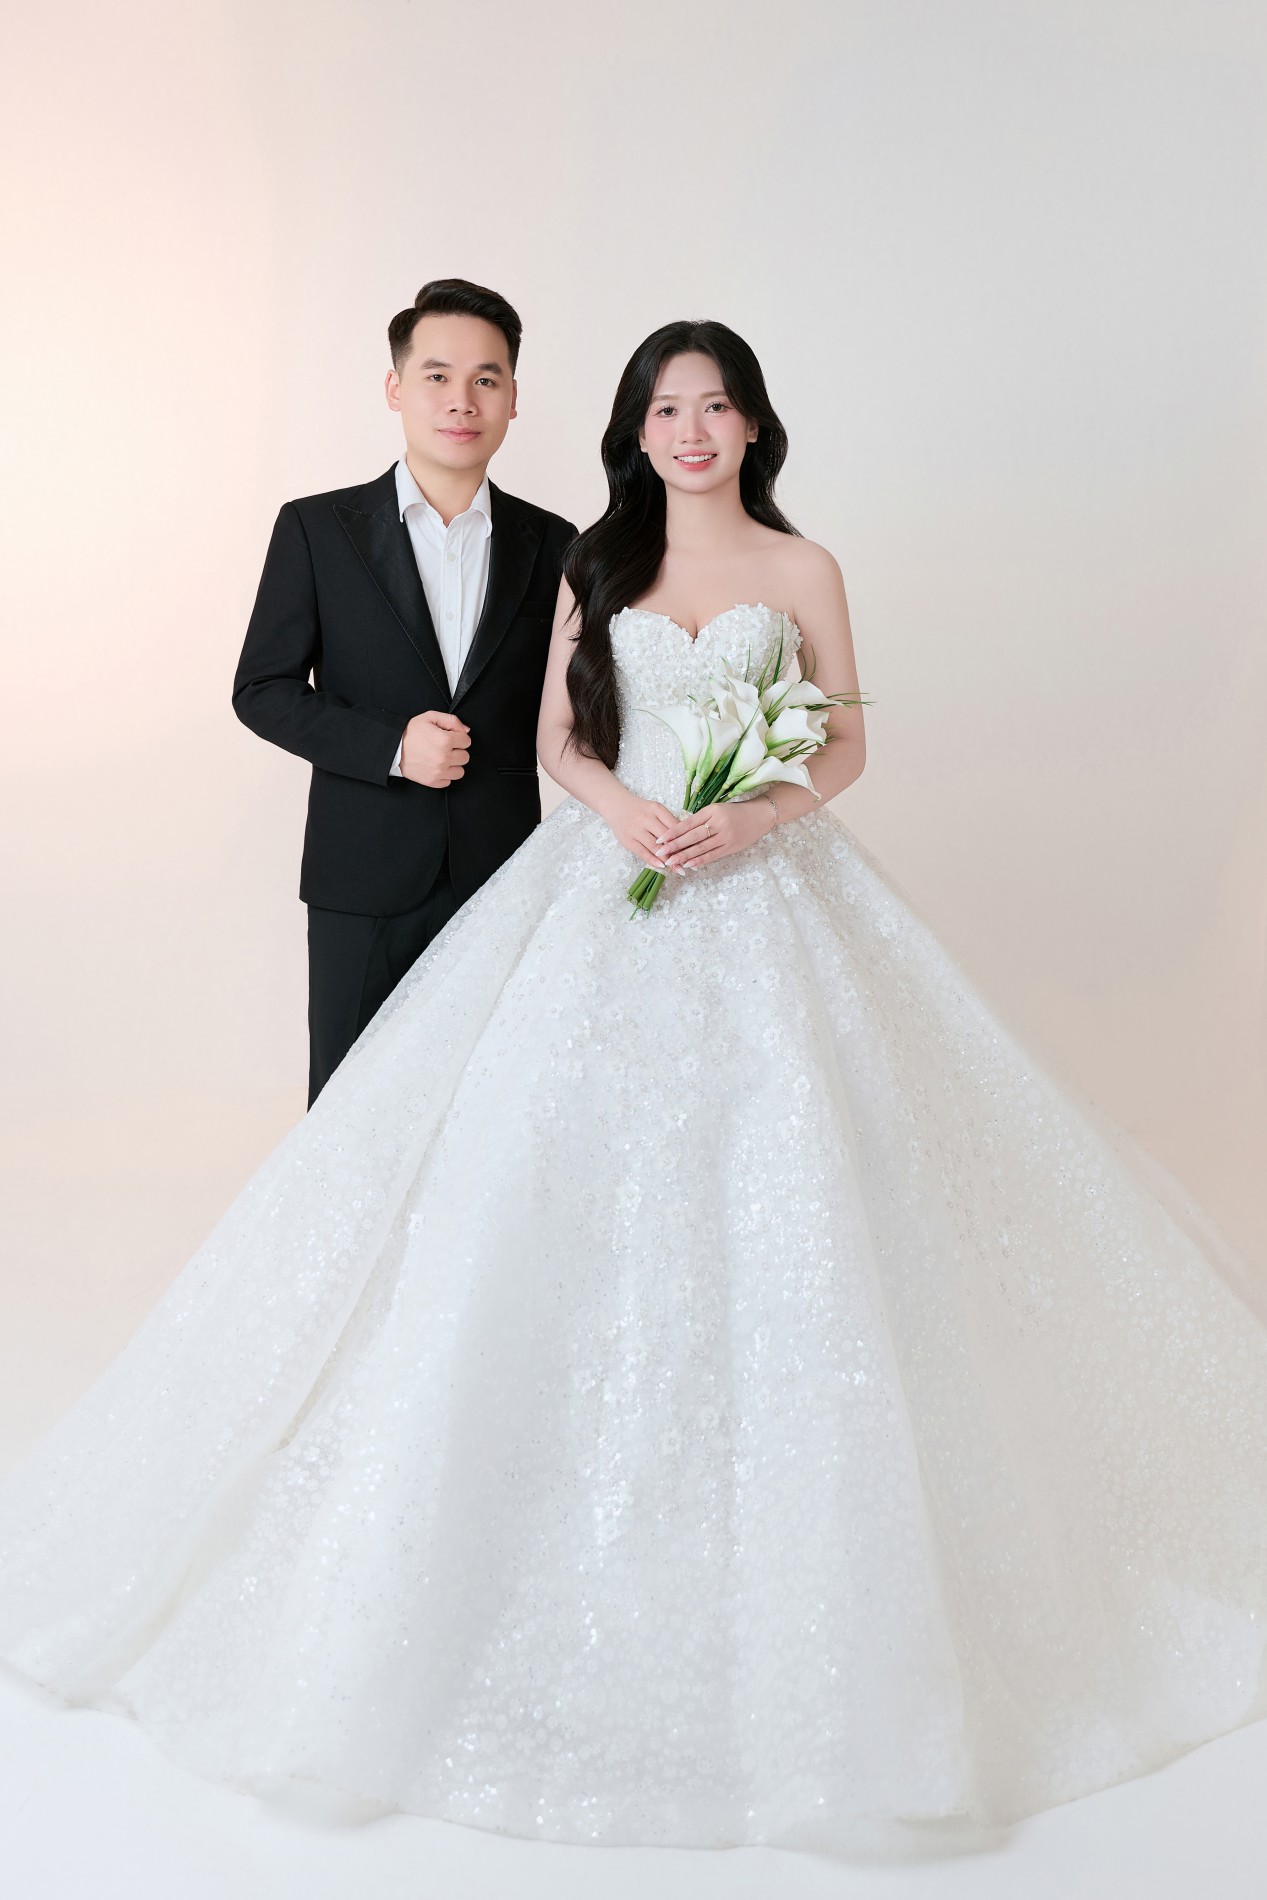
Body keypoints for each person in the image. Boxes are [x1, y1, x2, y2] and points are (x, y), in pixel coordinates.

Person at [3, 319, 1267, 1858]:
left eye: (715, 407)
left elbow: (843, 749)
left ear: (752, 428)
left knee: (807, 1179)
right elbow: (554, 739)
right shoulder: (592, 567)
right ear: (633, 431)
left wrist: (752, 818)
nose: (690, 431)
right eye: (666, 409)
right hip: (612, 882)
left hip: (769, 887)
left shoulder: (804, 569)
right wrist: (628, 815)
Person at [233, 277, 577, 1104]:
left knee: (487, 1110)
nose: (462, 400)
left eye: (486, 379)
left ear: (513, 398)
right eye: (437, 376)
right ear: (395, 388)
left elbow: (574, 706)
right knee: (349, 1108)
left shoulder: (556, 543)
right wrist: (390, 746)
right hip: (362, 873)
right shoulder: (317, 528)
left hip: (502, 875)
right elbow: (262, 688)